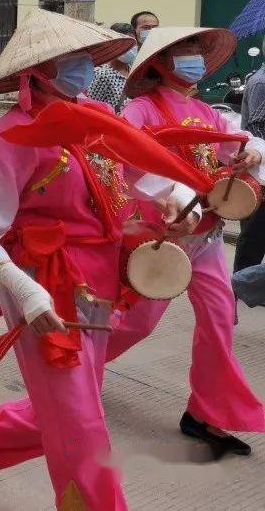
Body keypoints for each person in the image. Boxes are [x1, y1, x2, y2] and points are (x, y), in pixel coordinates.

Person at [0, 10, 191, 510]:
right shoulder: (13, 135)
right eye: (69, 60)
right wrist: (25, 290)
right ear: (37, 70)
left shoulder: (97, 120)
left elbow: (139, 172)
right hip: (44, 283)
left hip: (102, 280)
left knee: (73, 404)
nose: (82, 68)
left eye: (85, 58)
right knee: (80, 422)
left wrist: (172, 196)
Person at [103, 26, 265, 453]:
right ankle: (76, 370)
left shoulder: (210, 114)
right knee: (138, 323)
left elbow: (236, 146)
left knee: (218, 321)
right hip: (163, 238)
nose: (194, 57)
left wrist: (251, 153)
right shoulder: (140, 110)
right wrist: (170, 194)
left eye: (197, 50)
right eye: (184, 51)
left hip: (208, 238)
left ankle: (205, 414)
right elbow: (124, 160)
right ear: (159, 63)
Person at [234, 48, 265, 274]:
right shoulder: (260, 83)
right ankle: (243, 282)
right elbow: (256, 127)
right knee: (255, 232)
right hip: (259, 168)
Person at [87, 22, 136, 112]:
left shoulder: (134, 71)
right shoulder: (102, 74)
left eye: (132, 43)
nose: (129, 48)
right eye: (123, 43)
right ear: (112, 45)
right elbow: (91, 107)